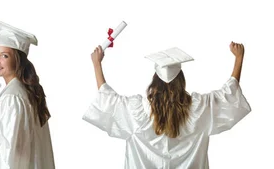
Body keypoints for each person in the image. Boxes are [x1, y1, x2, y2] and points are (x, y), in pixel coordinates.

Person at [83, 42, 251, 168]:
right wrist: (239, 58)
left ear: (155, 81)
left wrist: (97, 64)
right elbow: (229, 95)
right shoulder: (199, 109)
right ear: (181, 81)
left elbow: (108, 100)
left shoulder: (137, 111)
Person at [0, 18, 55, 169]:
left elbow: (11, 152)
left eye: (4, 55)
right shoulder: (28, 91)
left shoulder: (11, 97)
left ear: (18, 60)